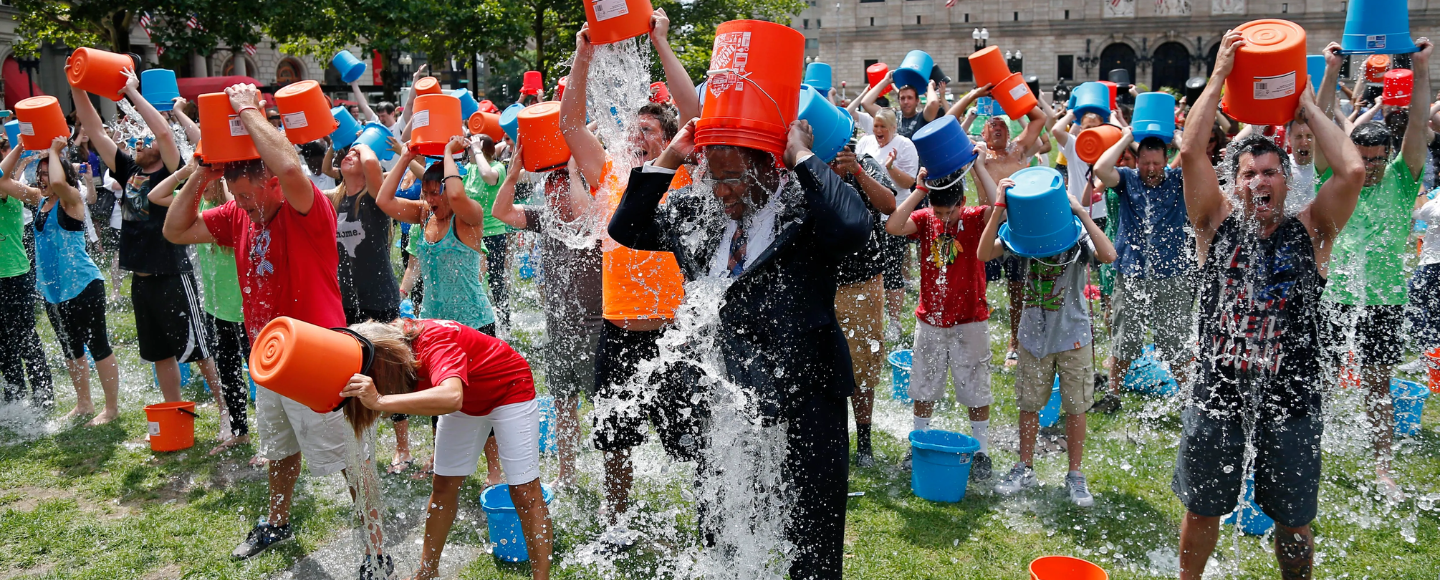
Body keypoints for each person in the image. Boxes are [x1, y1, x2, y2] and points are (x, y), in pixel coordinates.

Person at [609, 117, 870, 579]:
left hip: (807, 398)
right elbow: (627, 227)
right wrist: (672, 154)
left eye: (733, 179)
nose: (722, 192)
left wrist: (802, 155)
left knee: (813, 544)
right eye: (714, 177)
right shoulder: (700, 214)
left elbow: (852, 228)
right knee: (722, 530)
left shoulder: (804, 208)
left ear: (771, 168)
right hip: (727, 402)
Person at [162, 83, 392, 577]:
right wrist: (203, 173)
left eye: (247, 196)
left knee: (352, 456)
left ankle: (376, 547)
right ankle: (278, 521)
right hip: (269, 355)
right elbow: (175, 230)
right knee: (279, 447)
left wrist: (249, 110)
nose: (241, 206)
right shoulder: (239, 214)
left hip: (320, 353)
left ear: (269, 181)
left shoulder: (307, 208)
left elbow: (291, 166)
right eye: (237, 198)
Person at [1174, 31, 1366, 580]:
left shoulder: (1313, 231)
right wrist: (1219, 76)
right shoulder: (1214, 224)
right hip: (1218, 388)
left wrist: (1304, 101)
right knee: (1203, 506)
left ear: (1287, 181)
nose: (1260, 180)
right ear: (1233, 184)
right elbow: (1189, 151)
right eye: (1248, 173)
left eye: (1270, 171)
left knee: (1294, 521)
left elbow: (1351, 171)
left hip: (1294, 393)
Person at [558, 14, 706, 546]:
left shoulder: (683, 172)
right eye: (635, 128)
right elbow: (570, 126)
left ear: (670, 141)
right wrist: (583, 54)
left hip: (673, 334)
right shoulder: (613, 173)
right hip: (618, 328)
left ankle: (706, 519)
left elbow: (695, 113)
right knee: (613, 440)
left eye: (649, 129)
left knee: (692, 438)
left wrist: (659, 41)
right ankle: (617, 524)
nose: (637, 134)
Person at [340, 317, 552, 580]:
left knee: (524, 492)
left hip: (509, 389)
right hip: (466, 400)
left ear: (386, 360)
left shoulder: (434, 342)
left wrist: (380, 399)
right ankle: (427, 573)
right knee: (443, 488)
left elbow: (452, 397)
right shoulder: (391, 345)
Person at [1314, 39, 1432, 495]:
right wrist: (1331, 70)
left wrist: (1420, 67)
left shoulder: (1404, 178)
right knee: (1320, 380)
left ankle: (1383, 466)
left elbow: (1418, 124)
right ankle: (1313, 453)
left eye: (1378, 161)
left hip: (1384, 298)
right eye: (1363, 162)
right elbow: (1320, 120)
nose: (1372, 169)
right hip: (1335, 294)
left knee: (1378, 384)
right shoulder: (1337, 178)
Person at [71, 68, 220, 405]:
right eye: (137, 138)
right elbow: (94, 129)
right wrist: (77, 85)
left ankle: (228, 414)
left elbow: (165, 133)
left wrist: (132, 93)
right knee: (160, 354)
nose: (140, 141)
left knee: (199, 350)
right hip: (141, 278)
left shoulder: (172, 167)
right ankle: (175, 412)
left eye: (144, 138)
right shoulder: (129, 171)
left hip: (171, 272)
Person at [977, 169, 1117, 506]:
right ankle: (1024, 467)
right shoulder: (1022, 236)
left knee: (1076, 407)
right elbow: (983, 255)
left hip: (1074, 337)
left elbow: (1109, 255)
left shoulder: (1077, 233)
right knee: (1029, 405)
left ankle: (1075, 474)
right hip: (1033, 337)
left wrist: (1081, 211)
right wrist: (999, 208)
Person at [491, 149, 602, 487]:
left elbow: (583, 211)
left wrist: (572, 167)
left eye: (562, 185)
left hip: (596, 329)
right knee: (563, 404)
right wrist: (512, 175)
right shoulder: (545, 219)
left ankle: (609, 478)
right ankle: (567, 474)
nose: (553, 192)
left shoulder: (596, 217)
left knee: (603, 408)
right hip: (559, 329)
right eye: (550, 185)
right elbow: (501, 212)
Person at [884, 146, 997, 478]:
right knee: (924, 386)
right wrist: (919, 190)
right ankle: (918, 441)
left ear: (962, 203)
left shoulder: (976, 219)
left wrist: (977, 167)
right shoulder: (924, 219)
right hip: (930, 320)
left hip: (971, 319)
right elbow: (893, 225)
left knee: (976, 387)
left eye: (949, 214)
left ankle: (982, 452)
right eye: (939, 213)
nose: (944, 220)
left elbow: (997, 208)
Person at [148, 165, 252, 454]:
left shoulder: (234, 210)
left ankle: (276, 439)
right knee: (229, 372)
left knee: (259, 373)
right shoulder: (199, 204)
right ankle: (239, 432)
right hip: (217, 308)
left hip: (245, 310)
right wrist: (190, 172)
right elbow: (157, 195)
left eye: (207, 180)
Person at [1093, 125, 1196, 410]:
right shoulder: (1127, 179)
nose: (1151, 169)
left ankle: (1189, 401)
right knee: (1124, 339)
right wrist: (1127, 137)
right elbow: (1101, 169)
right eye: (1146, 163)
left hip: (1172, 273)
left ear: (1167, 161)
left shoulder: (1178, 180)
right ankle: (1113, 395)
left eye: (1157, 163)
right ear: (1136, 161)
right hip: (1132, 272)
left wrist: (1179, 140)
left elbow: (1202, 168)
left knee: (1175, 342)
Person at [948, 85, 1052, 367]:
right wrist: (971, 96)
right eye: (990, 124)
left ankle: (1014, 343)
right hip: (985, 226)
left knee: (1017, 287)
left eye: (1001, 124)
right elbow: (947, 123)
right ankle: (968, 341)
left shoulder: (1019, 150)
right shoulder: (976, 154)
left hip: (1017, 228)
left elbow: (1039, 119)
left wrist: (1010, 96)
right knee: (973, 285)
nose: (996, 126)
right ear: (981, 134)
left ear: (1009, 132)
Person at [24, 137, 121, 423]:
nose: (42, 178)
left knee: (98, 346)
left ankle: (111, 409)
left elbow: (56, 183)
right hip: (54, 292)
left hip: (84, 285)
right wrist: (20, 149)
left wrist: (54, 150)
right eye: (38, 173)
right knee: (71, 349)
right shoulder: (38, 200)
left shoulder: (71, 198)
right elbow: (3, 183)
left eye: (46, 171)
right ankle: (84, 404)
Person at [829, 142, 900, 469]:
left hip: (864, 282)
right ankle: (833, 440)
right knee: (824, 364)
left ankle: (865, 443)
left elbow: (889, 205)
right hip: (823, 280)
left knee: (863, 366)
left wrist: (856, 170)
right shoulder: (807, 162)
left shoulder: (865, 162)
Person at [853, 108, 920, 342]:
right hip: (867, 218)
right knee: (869, 271)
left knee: (892, 272)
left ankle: (894, 322)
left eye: (883, 127)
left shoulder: (905, 145)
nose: (878, 130)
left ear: (893, 128)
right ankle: (871, 319)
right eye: (876, 126)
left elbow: (909, 182)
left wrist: (891, 167)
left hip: (894, 217)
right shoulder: (864, 142)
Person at [0, 144, 54, 407]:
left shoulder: (6, 188)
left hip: (12, 274)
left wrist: (21, 144)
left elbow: (2, 175)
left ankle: (43, 392)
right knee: (2, 341)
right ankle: (14, 392)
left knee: (24, 337)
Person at [464, 135, 513, 327]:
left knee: (495, 280)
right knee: (473, 279)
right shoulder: (468, 169)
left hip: (493, 234)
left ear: (483, 150)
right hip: (471, 234)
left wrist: (476, 149)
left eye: (471, 148)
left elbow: (488, 177)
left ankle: (505, 323)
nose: (468, 151)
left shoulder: (498, 167)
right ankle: (478, 319)